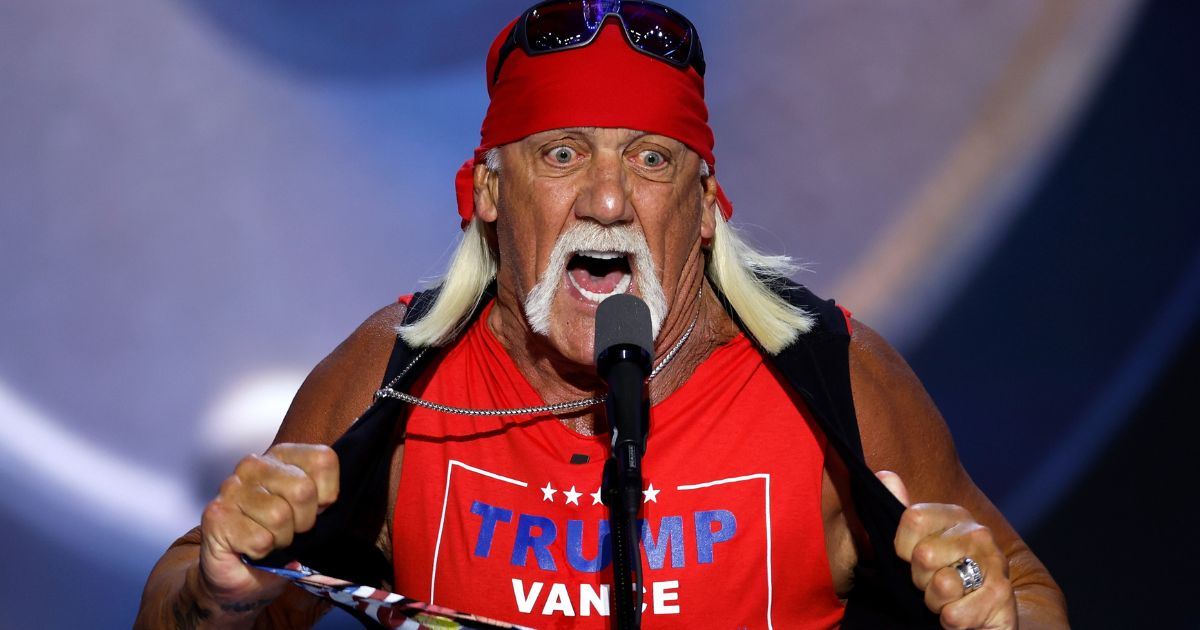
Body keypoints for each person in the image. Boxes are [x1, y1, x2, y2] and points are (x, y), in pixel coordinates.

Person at [136, 2, 1068, 628]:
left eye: (654, 161)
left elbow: (1019, 588)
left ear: (705, 207)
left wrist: (993, 609)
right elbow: (184, 604)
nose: (611, 201)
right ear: (491, 192)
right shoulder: (397, 375)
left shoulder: (825, 376)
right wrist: (224, 593)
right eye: (563, 155)